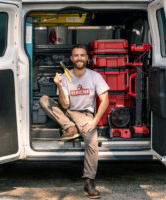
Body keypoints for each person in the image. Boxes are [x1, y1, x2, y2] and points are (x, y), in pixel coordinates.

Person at [40, 44, 109, 199]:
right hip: (66, 111)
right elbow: (64, 105)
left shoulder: (94, 76)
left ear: (87, 58)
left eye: (82, 55)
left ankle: (89, 181)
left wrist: (95, 121)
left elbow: (105, 100)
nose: (79, 58)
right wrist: (58, 84)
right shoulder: (66, 76)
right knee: (44, 100)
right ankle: (70, 127)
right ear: (71, 58)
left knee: (92, 141)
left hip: (84, 114)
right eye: (76, 55)